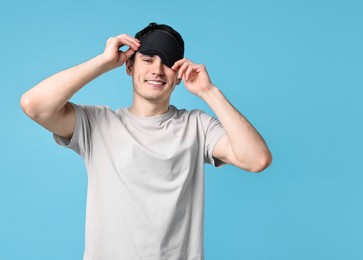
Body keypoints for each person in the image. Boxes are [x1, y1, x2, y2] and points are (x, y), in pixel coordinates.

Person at [20, 22, 272, 260]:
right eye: (148, 60)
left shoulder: (197, 126)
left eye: (167, 64)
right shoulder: (97, 124)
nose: (157, 70)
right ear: (129, 67)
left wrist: (209, 91)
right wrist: (104, 62)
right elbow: (35, 105)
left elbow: (257, 159)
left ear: (178, 74)